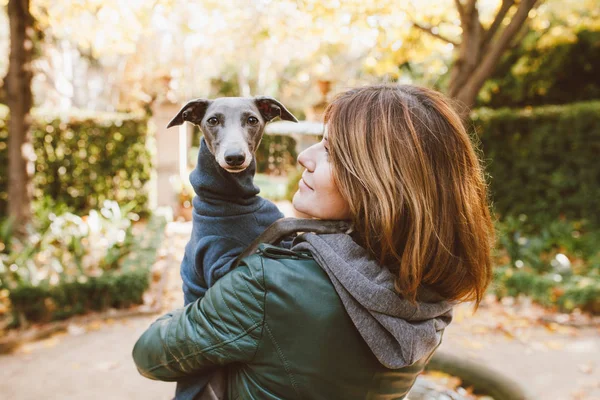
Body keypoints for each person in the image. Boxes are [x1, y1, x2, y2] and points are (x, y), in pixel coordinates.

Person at [132, 84, 496, 400]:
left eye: (331, 151)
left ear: (379, 185)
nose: (304, 156)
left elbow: (149, 355)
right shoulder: (432, 293)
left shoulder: (268, 285)